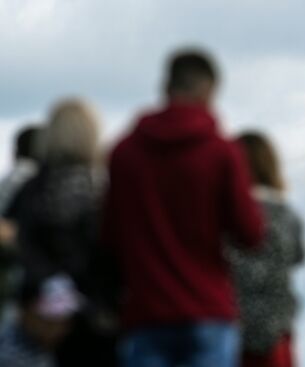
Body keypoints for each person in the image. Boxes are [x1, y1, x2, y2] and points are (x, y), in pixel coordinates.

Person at [103, 49, 264, 367]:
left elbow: (109, 236)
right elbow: (251, 233)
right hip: (207, 309)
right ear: (209, 90)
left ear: (165, 88)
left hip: (145, 311)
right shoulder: (223, 153)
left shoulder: (123, 153)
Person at [5, 99, 117, 367]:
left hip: (42, 315)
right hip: (97, 313)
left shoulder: (31, 190)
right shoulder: (105, 190)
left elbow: (18, 241)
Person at [228, 132, 305, 367]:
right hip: (276, 333)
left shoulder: (221, 217)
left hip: (229, 331)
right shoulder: (286, 216)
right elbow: (299, 255)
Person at [0, 274, 81, 367]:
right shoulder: (8, 355)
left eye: (66, 321)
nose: (61, 330)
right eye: (51, 321)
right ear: (25, 312)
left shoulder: (41, 346)